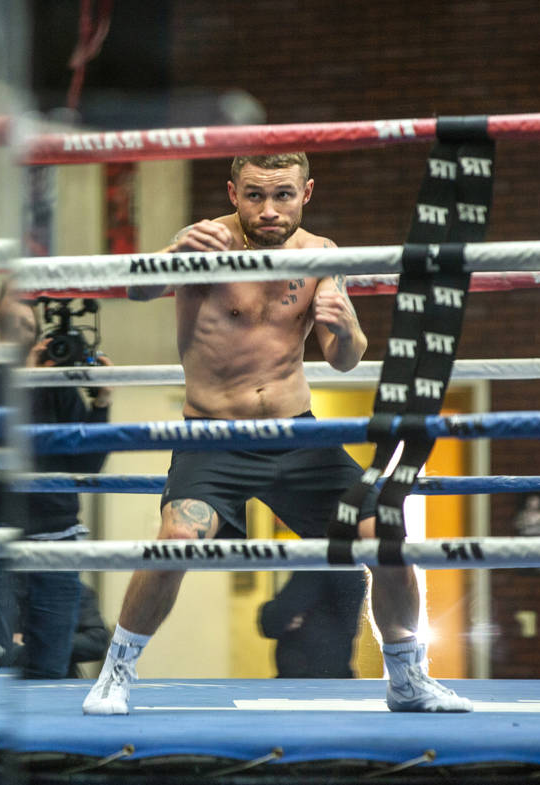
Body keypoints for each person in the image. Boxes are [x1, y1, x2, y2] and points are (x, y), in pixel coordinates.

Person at [83, 153, 472, 713]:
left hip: (298, 436)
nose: (269, 209)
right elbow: (135, 292)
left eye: (282, 195)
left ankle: (408, 680)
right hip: (213, 437)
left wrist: (347, 328)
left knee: (384, 537)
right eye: (255, 196)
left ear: (306, 192)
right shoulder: (205, 243)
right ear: (233, 192)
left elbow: (344, 358)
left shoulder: (321, 255)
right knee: (175, 542)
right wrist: (170, 256)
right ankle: (116, 674)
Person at [0, 283, 114, 679]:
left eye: (30, 302)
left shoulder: (57, 378)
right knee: (0, 658)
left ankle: (49, 739)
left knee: (53, 663)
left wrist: (102, 402)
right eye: (15, 297)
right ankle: (3, 740)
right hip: (1, 533)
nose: (23, 309)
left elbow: (88, 460)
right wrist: (28, 378)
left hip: (59, 535)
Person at [258, 569, 366, 678]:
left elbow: (277, 617)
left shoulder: (317, 567)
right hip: (336, 673)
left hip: (305, 679)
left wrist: (269, 610)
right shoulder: (355, 568)